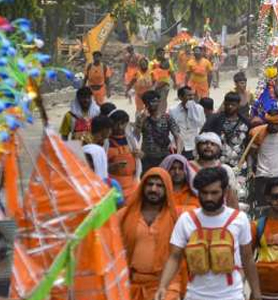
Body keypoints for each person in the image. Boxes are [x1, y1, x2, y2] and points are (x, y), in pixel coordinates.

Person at [155, 167, 262, 300]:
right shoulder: (186, 219)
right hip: (195, 295)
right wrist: (163, 286)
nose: (208, 198)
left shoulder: (239, 219)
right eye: (204, 193)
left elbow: (247, 258)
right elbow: (175, 257)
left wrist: (256, 293)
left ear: (225, 192)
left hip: (231, 295)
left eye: (214, 192)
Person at [118, 168, 182, 300]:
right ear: (142, 186)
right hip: (131, 284)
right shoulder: (123, 215)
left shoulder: (177, 218)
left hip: (167, 286)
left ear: (167, 189)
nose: (153, 189)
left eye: (159, 185)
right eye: (150, 184)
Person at [135, 90, 183, 173]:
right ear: (145, 104)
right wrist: (141, 121)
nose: (153, 104)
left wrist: (178, 154)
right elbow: (136, 138)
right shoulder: (141, 118)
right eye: (150, 102)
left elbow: (177, 136)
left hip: (164, 156)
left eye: (155, 101)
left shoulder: (167, 117)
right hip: (147, 157)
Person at [191, 132, 240, 209]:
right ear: (197, 147)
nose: (208, 146)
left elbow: (231, 197)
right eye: (204, 143)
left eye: (213, 144)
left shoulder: (226, 169)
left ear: (219, 148)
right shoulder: (187, 167)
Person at [202, 92, 250, 167]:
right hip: (217, 164)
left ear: (238, 105)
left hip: (239, 165)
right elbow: (203, 138)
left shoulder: (245, 122)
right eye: (227, 104)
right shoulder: (214, 119)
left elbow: (248, 144)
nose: (230, 107)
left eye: (233, 105)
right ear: (224, 104)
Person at [106, 109, 140, 199]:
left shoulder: (131, 140)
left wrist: (139, 155)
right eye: (116, 124)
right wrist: (111, 167)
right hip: (114, 186)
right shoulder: (106, 143)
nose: (120, 127)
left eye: (123, 124)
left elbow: (138, 160)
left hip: (133, 184)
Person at [169, 86, 206, 160]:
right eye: (189, 95)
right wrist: (172, 143)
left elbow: (201, 125)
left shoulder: (199, 109)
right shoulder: (173, 111)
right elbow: (171, 130)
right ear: (180, 97)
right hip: (180, 146)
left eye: (193, 95)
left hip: (194, 144)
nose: (192, 97)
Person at [150, 48, 175, 115]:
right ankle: (156, 113)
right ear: (156, 54)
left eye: (163, 53)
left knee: (163, 99)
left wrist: (175, 82)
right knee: (156, 100)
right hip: (155, 85)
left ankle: (162, 113)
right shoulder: (152, 63)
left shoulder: (168, 62)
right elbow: (150, 74)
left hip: (165, 84)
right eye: (160, 53)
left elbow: (172, 72)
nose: (162, 55)